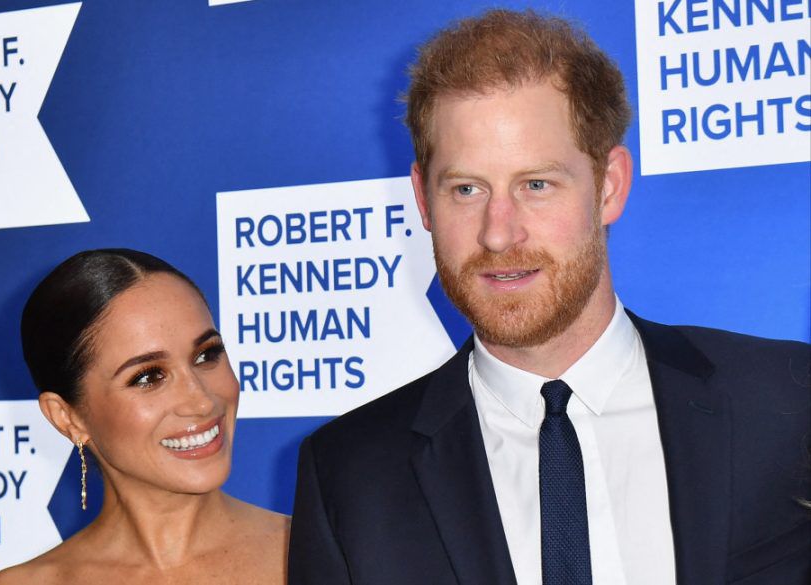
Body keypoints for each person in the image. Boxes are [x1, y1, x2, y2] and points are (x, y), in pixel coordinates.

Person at [288, 9, 810, 585]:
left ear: (609, 186)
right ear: (422, 198)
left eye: (536, 185)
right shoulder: (349, 474)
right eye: (466, 189)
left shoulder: (788, 401)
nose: (497, 232)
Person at [0, 249, 289, 584]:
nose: (202, 401)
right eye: (148, 376)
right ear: (67, 418)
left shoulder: (324, 554)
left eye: (206, 355)